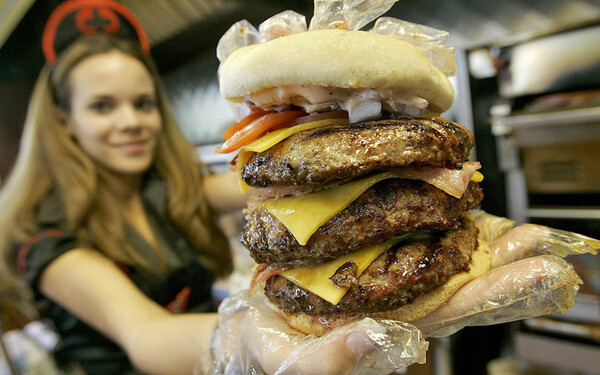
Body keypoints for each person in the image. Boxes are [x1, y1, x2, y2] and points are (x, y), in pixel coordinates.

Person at [0, 2, 384, 374]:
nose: (131, 121)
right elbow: (143, 332)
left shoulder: (168, 192)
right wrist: (244, 341)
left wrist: (322, 115)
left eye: (143, 103)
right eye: (103, 106)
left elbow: (256, 186)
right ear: (64, 120)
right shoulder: (46, 235)